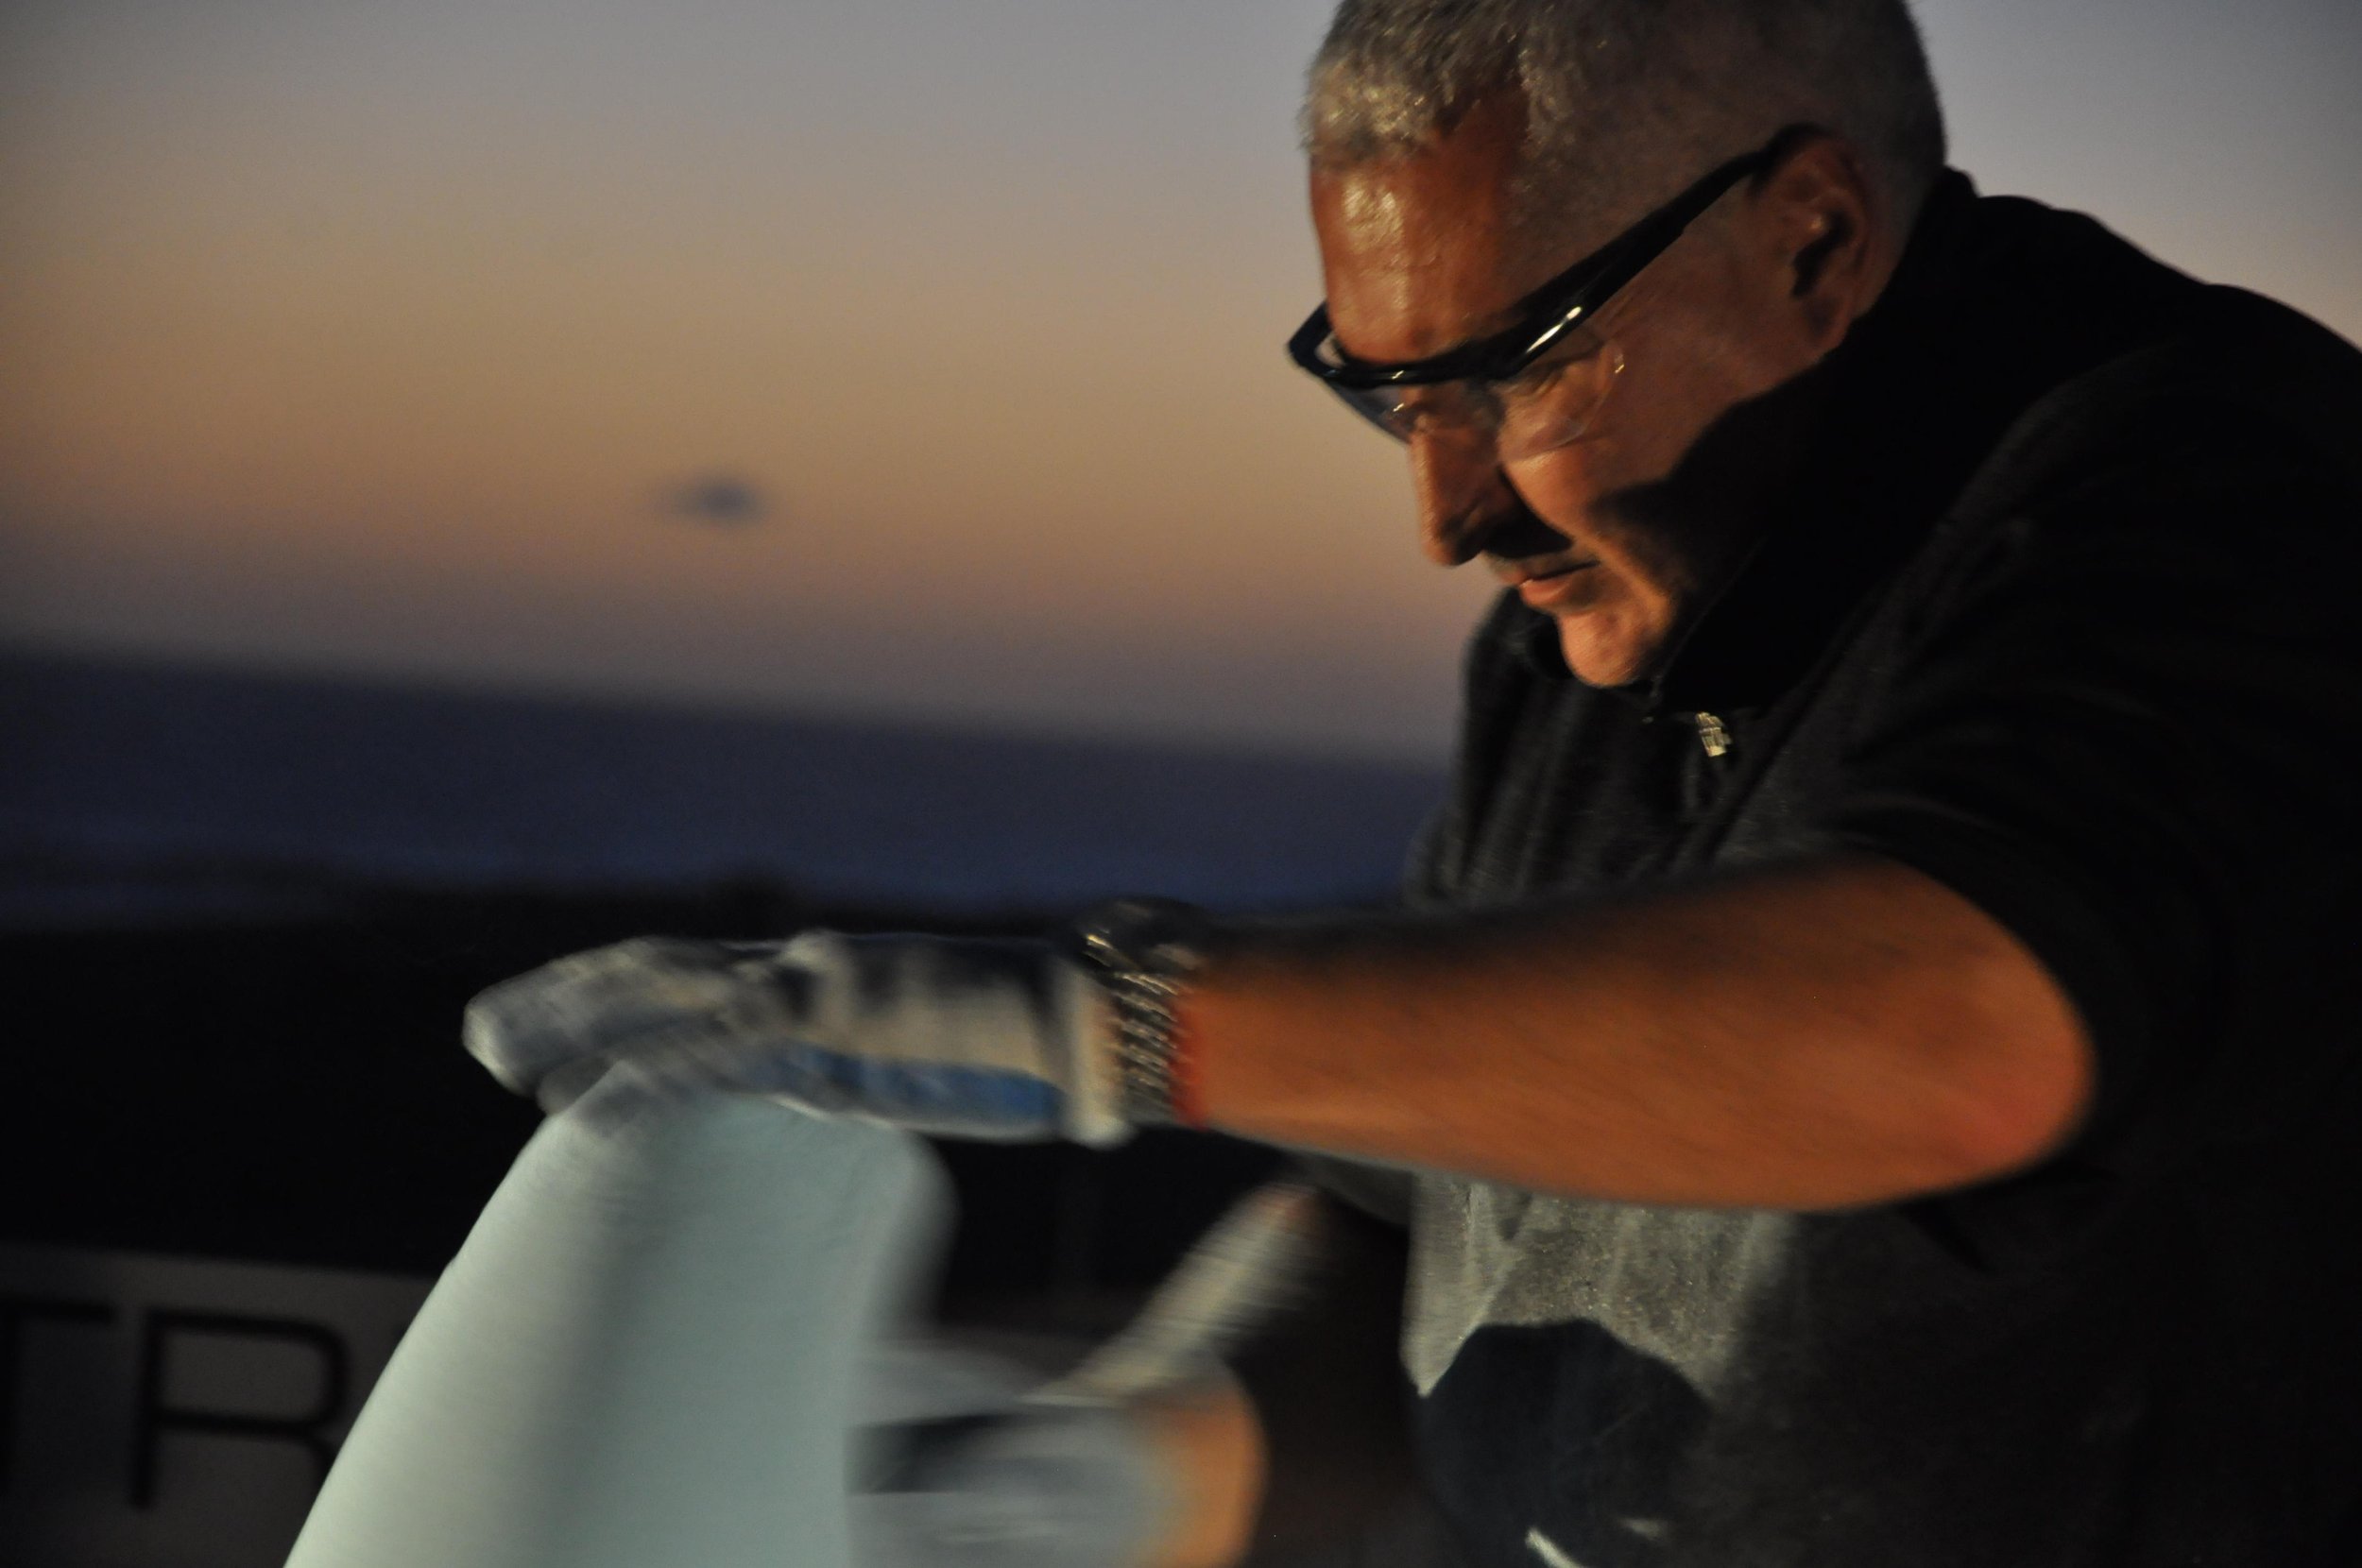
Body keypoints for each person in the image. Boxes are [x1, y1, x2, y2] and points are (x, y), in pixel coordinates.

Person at [465, 0, 2362, 1562]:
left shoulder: (2214, 491)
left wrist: (1103, 1020)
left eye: (1509, 373)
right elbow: (1405, 1211)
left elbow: (1950, 1019)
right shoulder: (1596, 616)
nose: (1441, 513)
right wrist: (1113, 1467)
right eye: (1385, 391)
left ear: (1809, 236)